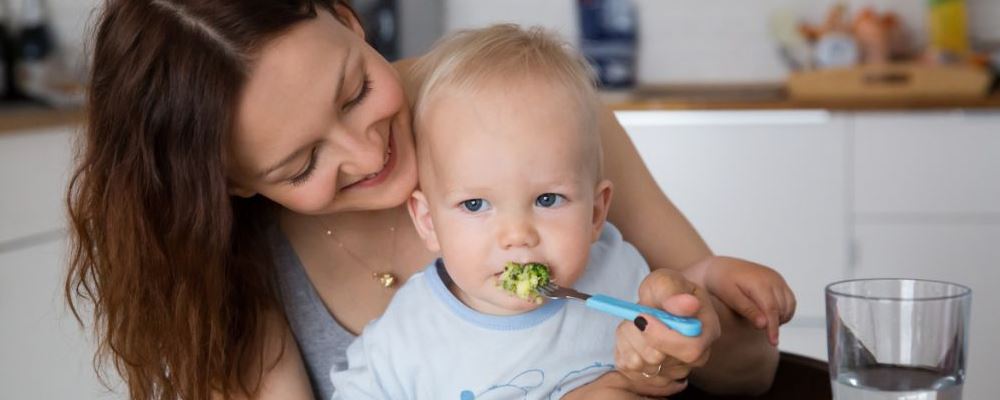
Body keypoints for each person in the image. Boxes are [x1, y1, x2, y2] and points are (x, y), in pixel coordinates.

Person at [65, 1, 793, 399]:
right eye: (303, 162)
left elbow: (752, 371)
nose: (366, 153)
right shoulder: (233, 260)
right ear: (233, 184)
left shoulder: (529, 114)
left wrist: (679, 349)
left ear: (346, 17)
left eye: (353, 91)